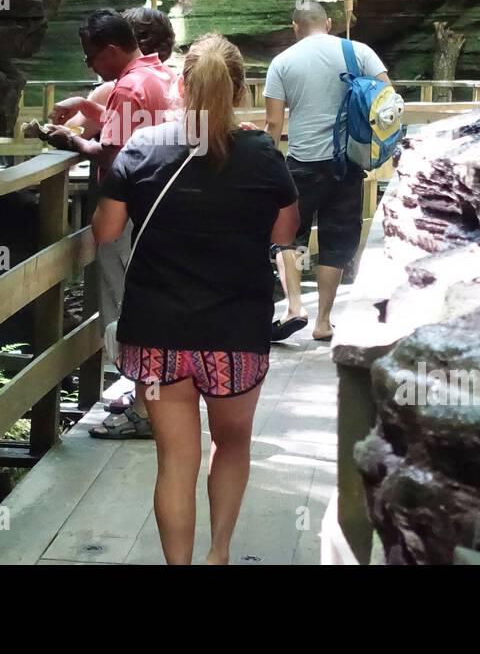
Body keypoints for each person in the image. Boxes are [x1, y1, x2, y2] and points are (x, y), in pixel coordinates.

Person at [92, 33, 300, 563]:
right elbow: (283, 234)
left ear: (182, 84)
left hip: (158, 334)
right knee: (231, 445)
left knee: (174, 462)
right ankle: (219, 554)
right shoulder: (262, 154)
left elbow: (106, 231)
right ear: (239, 90)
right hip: (235, 334)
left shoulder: (142, 148)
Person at [44, 9, 176, 438]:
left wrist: (73, 141)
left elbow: (116, 156)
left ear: (113, 50)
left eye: (91, 56)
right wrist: (87, 107)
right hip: (160, 211)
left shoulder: (129, 87)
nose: (90, 65)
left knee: (126, 313)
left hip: (129, 214)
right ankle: (148, 399)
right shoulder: (160, 77)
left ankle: (142, 408)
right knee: (150, 308)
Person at [263, 0, 390, 342]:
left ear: (295, 28)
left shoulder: (282, 62)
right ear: (329, 23)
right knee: (337, 238)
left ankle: (293, 307)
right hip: (348, 163)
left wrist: (268, 166)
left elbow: (274, 123)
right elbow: (387, 101)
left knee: (284, 235)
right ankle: (323, 321)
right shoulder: (359, 52)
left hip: (302, 164)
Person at [61, 7, 178, 137]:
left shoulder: (125, 88)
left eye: (91, 56)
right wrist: (84, 105)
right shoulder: (167, 75)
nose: (90, 64)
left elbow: (77, 133)